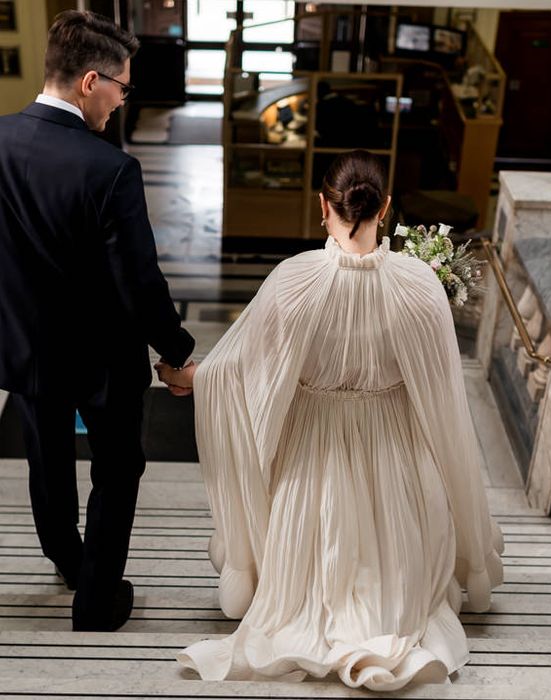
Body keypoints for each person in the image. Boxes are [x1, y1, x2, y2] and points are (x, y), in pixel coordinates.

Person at [156, 150, 502, 691]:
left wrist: (194, 378)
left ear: (323, 207)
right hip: (395, 453)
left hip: (310, 452)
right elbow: (441, 393)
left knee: (310, 565)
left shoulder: (294, 282)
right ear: (384, 209)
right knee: (391, 557)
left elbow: (247, 368)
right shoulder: (419, 286)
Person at [0, 11, 194, 631]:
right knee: (117, 471)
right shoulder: (110, 169)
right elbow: (137, 282)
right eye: (121, 85)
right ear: (90, 81)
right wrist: (177, 348)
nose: (122, 98)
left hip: (24, 346)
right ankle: (95, 601)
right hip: (101, 358)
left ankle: (69, 560)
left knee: (46, 462)